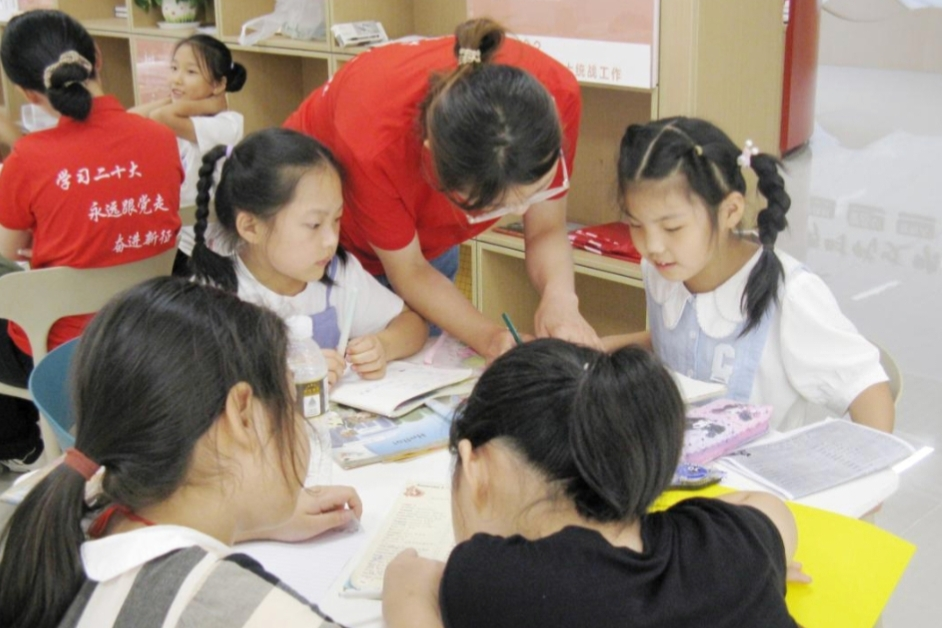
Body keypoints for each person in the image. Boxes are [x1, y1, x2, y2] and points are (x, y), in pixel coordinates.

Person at [0, 277, 363, 628]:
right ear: (242, 414)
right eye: (290, 402)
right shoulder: (226, 606)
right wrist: (398, 599)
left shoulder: (52, 509)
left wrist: (249, 520)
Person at [381, 339, 803, 628]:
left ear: (476, 466)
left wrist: (404, 584)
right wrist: (762, 562)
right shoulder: (734, 545)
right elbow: (771, 510)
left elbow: (411, 586)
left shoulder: (495, 582)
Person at [284, 18, 599, 362]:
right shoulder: (374, 142)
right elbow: (410, 270)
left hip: (415, 238)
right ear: (432, 157)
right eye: (492, 206)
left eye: (535, 191)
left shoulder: (553, 94)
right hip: (327, 239)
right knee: (338, 363)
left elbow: (546, 228)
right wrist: (489, 337)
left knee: (424, 356)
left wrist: (560, 299)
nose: (522, 212)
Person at [602, 117, 894, 432]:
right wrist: (602, 346)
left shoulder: (791, 295)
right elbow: (680, 342)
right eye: (636, 225)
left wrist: (859, 458)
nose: (652, 245)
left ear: (730, 211)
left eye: (672, 227)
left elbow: (867, 388)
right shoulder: (663, 270)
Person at [0, 9, 183, 471]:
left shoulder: (29, 158)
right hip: (148, 333)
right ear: (97, 56)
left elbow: (7, 253)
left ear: (27, 92)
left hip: (59, 357)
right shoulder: (160, 138)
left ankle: (20, 445)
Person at [188, 128, 427, 383]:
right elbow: (200, 385)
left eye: (337, 219)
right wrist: (286, 378)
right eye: (314, 224)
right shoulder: (216, 297)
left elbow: (412, 324)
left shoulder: (337, 272)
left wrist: (383, 346)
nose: (331, 239)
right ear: (251, 228)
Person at [130, 34, 247, 275]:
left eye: (191, 72)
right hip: (176, 237)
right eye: (174, 68)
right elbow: (128, 120)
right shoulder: (179, 118)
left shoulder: (228, 123)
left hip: (210, 247)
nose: (177, 79)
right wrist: (180, 99)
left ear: (218, 84)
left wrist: (211, 105)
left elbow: (161, 116)